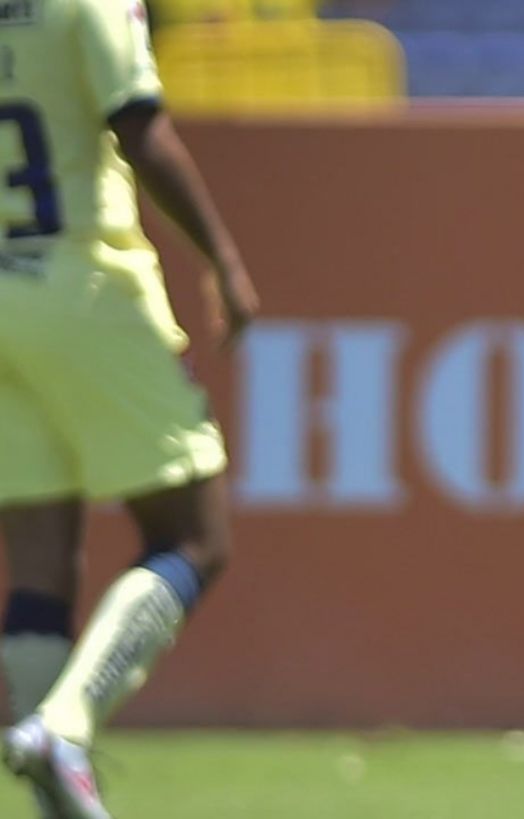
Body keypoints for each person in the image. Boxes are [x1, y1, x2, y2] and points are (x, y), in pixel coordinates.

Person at [0, 1, 259, 816]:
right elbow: (140, 130)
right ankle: (63, 729)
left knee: (38, 561)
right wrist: (223, 259)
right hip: (85, 288)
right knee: (195, 536)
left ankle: (51, 783)